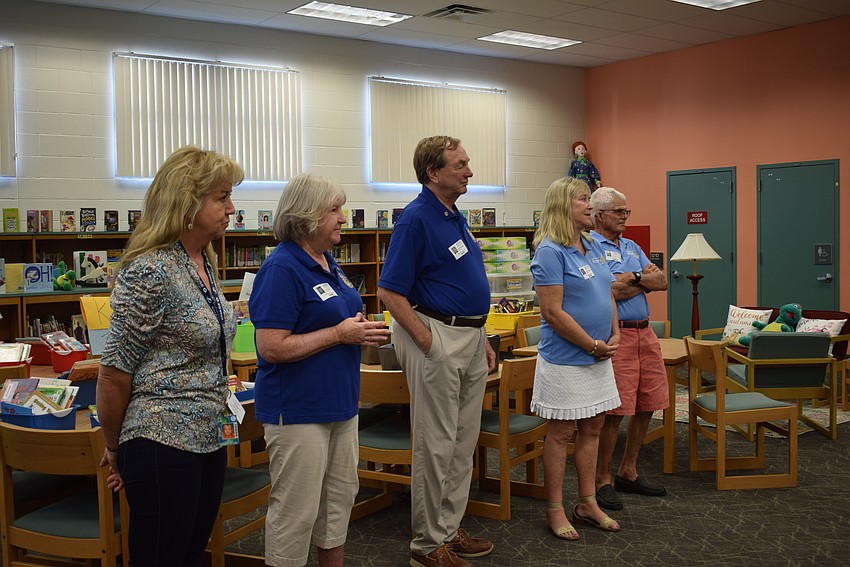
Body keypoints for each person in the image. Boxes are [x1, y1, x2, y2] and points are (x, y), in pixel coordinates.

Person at [96, 145, 243, 566]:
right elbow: (113, 373)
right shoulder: (151, 269)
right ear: (187, 202)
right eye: (221, 197)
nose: (231, 208)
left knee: (190, 554)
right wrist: (113, 448)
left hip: (208, 435)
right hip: (162, 439)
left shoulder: (203, 261)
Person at [249, 173, 390, 567]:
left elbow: (336, 320)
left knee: (338, 503)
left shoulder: (328, 262)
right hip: (299, 410)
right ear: (307, 216)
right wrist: (339, 334)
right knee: (296, 512)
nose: (343, 217)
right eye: (334, 209)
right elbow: (271, 346)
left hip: (341, 405)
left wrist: (356, 331)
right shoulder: (281, 268)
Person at [377, 135, 497, 567]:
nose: (469, 171)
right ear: (432, 172)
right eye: (460, 164)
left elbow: (462, 283)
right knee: (436, 443)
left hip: (469, 335)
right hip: (436, 335)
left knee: (463, 442)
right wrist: (428, 341)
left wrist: (481, 336)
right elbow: (389, 291)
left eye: (467, 163)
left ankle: (447, 529)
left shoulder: (452, 215)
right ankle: (427, 546)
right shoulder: (415, 219)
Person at [530, 176, 622, 541]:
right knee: (561, 434)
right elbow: (552, 312)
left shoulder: (593, 244)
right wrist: (591, 344)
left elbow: (608, 292)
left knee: (593, 428)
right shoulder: (549, 251)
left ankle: (587, 503)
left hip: (598, 356)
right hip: (566, 360)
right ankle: (555, 508)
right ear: (562, 206)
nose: (590, 205)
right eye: (583, 199)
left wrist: (614, 332)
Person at [590, 187, 669, 511]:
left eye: (626, 211)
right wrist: (641, 280)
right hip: (617, 334)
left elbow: (662, 281)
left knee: (649, 402)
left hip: (645, 333)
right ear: (599, 215)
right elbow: (606, 292)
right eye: (619, 211)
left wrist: (631, 277)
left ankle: (628, 471)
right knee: (615, 411)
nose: (625, 216)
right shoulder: (589, 247)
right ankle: (602, 479)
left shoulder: (632, 246)